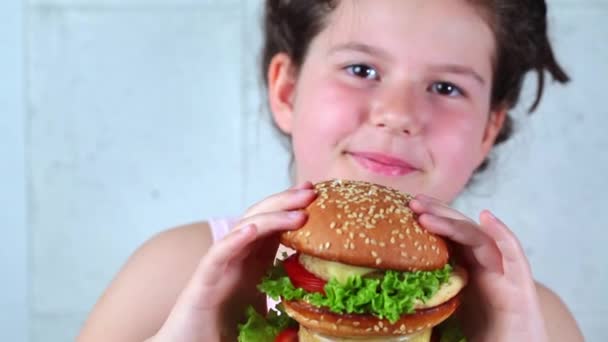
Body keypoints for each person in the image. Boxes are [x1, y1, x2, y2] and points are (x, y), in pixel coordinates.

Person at [77, 0, 585, 341]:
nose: (398, 113)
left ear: (487, 130)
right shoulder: (171, 272)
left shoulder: (541, 321)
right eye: (361, 70)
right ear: (287, 91)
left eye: (447, 88)